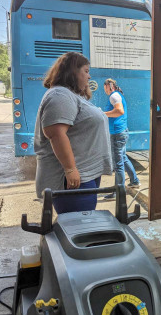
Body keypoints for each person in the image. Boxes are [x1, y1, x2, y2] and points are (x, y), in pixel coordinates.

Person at [34, 52, 112, 214]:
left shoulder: (70, 95)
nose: (89, 76)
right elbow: (56, 133)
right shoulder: (60, 95)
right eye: (85, 71)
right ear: (72, 72)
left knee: (81, 224)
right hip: (74, 178)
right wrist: (70, 169)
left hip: (84, 174)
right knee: (78, 226)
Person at [103, 79, 140, 200]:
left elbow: (119, 111)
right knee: (123, 158)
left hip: (117, 133)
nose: (104, 90)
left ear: (109, 86)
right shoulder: (117, 95)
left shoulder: (114, 96)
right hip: (122, 132)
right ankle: (134, 181)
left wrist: (103, 113)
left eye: (105, 87)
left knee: (118, 164)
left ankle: (118, 192)